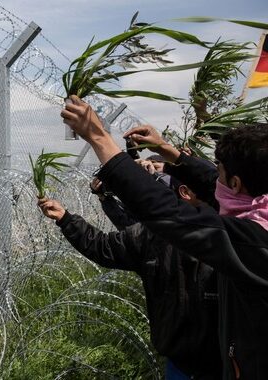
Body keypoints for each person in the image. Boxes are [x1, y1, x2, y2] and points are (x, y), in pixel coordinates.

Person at [61, 95, 268, 379]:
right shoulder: (259, 205)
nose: (213, 176)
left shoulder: (255, 243)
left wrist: (99, 137)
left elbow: (167, 211)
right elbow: (211, 184)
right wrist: (169, 152)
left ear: (235, 183)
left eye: (218, 168)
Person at [39, 176, 221, 379]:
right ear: (185, 193)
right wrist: (65, 219)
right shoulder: (152, 235)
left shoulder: (232, 235)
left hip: (226, 360)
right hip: (180, 362)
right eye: (211, 190)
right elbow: (103, 246)